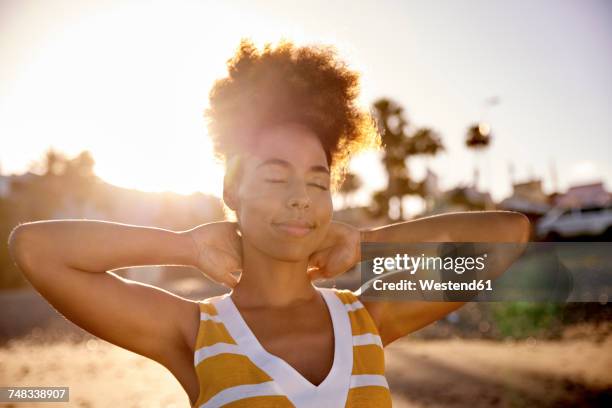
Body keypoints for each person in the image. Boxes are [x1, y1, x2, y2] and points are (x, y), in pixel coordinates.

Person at [8, 38, 530, 408]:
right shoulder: (192, 331)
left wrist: (364, 240)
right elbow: (36, 249)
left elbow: (508, 237)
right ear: (232, 191)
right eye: (276, 178)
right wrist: (185, 246)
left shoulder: (369, 317)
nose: (301, 199)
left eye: (317, 181)